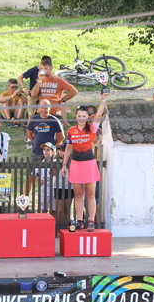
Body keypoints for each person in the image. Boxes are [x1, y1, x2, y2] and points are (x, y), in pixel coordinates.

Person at [61, 93, 109, 231]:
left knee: (90, 194)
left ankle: (91, 221)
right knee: (78, 195)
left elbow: (99, 115)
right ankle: (79, 221)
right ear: (76, 116)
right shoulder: (71, 130)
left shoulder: (92, 128)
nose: (81, 118)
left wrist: (103, 100)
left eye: (84, 116)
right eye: (79, 116)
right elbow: (68, 148)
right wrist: (64, 164)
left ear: (88, 117)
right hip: (76, 164)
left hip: (89, 165)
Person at [30, 59, 78, 126]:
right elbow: (33, 94)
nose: (43, 71)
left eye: (45, 69)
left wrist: (63, 100)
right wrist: (39, 80)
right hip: (41, 111)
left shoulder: (59, 80)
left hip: (55, 112)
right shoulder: (40, 80)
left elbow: (74, 91)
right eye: (42, 69)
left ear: (51, 68)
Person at [55, 143, 73, 229]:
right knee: (59, 208)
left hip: (69, 187)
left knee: (67, 208)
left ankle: (66, 226)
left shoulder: (72, 161)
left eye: (64, 151)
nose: (61, 153)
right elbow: (52, 173)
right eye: (60, 151)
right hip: (58, 186)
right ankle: (57, 226)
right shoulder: (55, 160)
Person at [36, 142, 57, 215]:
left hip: (54, 189)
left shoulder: (56, 162)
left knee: (54, 209)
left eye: (48, 150)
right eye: (44, 150)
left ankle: (53, 221)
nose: (45, 151)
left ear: (53, 151)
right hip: (44, 189)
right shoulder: (40, 163)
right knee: (43, 209)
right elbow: (34, 174)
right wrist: (38, 180)